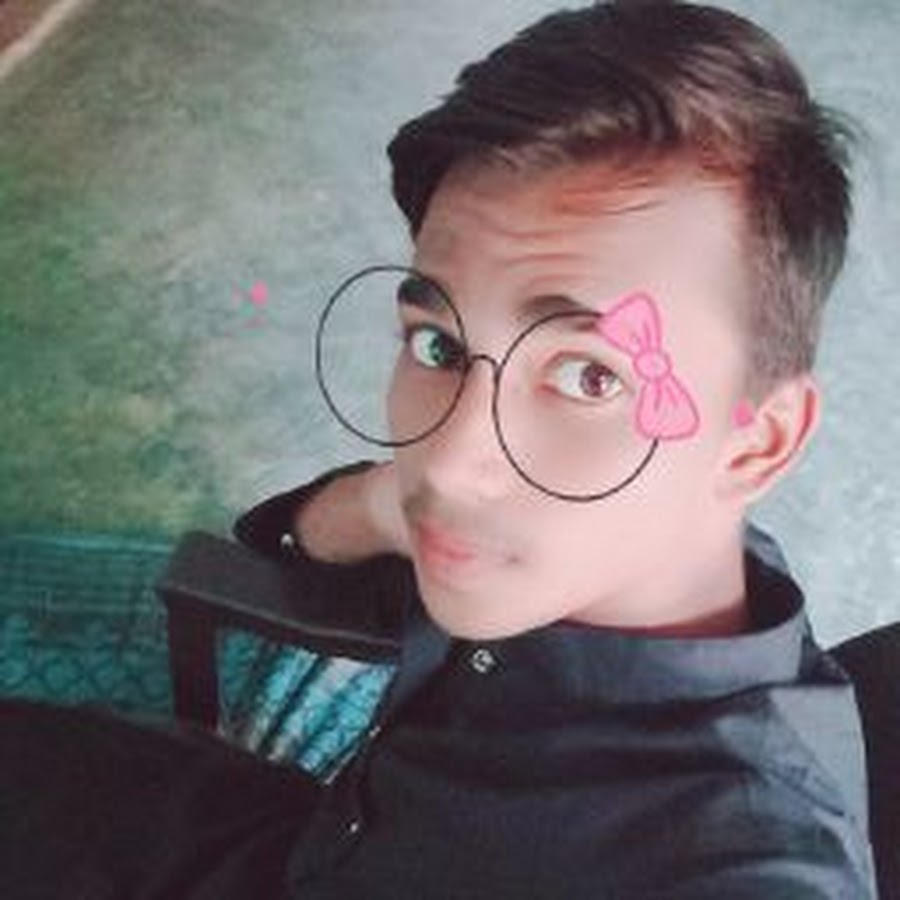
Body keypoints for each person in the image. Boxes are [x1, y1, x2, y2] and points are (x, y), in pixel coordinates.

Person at [0, 2, 878, 898]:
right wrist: (381, 507)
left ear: (756, 444)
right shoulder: (599, 542)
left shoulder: (739, 861)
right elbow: (293, 543)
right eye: (439, 345)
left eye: (589, 377)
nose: (451, 464)